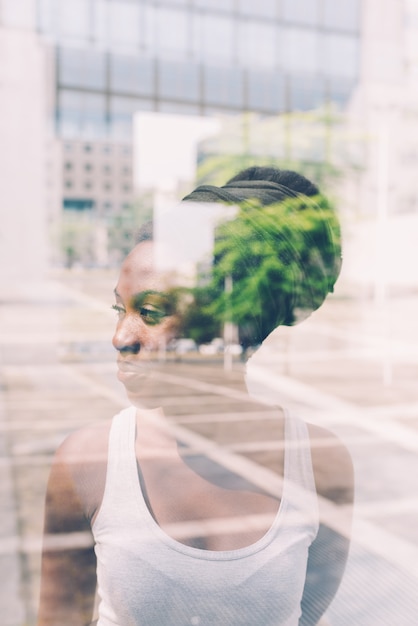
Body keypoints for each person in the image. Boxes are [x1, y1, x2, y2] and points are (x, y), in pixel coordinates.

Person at [37, 166, 353, 626]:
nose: (120, 337)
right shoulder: (87, 463)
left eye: (150, 312)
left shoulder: (320, 464)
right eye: (119, 309)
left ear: (230, 322)